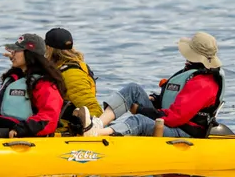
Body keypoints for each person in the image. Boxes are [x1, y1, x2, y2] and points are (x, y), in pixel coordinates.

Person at [92, 31, 225, 138]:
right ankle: (97, 125)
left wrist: (141, 110)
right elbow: (176, 100)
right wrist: (156, 101)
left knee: (140, 121)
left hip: (184, 131)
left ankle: (98, 134)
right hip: (171, 120)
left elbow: (175, 118)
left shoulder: (204, 84)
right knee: (134, 89)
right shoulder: (193, 72)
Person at [44, 27, 102, 135]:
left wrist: (82, 128)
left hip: (66, 133)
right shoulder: (57, 69)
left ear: (49, 48)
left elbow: (94, 110)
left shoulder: (71, 74)